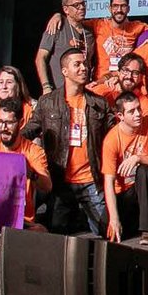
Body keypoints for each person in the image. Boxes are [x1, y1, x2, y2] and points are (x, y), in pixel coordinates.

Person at [24, 47, 110, 235]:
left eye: (85, 64)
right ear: (64, 71)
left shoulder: (99, 103)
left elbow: (114, 134)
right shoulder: (47, 102)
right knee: (57, 233)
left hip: (90, 180)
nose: (83, 68)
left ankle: (80, 217)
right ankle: (74, 217)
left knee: (107, 231)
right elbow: (29, 130)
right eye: (77, 64)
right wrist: (11, 142)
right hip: (61, 181)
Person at [0, 97, 51, 231]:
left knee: (41, 231)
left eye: (9, 123)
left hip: (20, 220)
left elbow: (47, 186)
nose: (3, 128)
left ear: (21, 123)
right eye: (0, 122)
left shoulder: (33, 151)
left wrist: (31, 173)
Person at [100, 91, 148, 244]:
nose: (138, 114)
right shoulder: (111, 140)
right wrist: (114, 219)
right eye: (131, 111)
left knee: (144, 170)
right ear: (120, 116)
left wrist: (138, 158)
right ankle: (134, 224)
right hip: (125, 193)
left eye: (139, 109)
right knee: (105, 230)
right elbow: (108, 182)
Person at [35, 0, 95, 91]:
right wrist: (46, 86)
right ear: (66, 9)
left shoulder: (89, 33)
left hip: (83, 92)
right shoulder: (56, 27)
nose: (82, 7)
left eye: (83, 3)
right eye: (76, 5)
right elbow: (40, 58)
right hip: (59, 91)